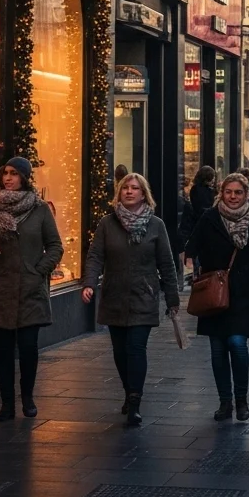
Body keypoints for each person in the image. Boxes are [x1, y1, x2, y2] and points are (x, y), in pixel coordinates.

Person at [82, 172, 180, 426]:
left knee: (136, 348)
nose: (129, 192)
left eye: (135, 188)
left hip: (143, 295)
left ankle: (135, 400)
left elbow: (166, 264)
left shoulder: (156, 225)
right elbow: (95, 256)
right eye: (125, 188)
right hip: (114, 295)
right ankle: (128, 391)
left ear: (143, 194)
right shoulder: (107, 223)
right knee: (119, 351)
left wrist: (172, 298)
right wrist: (90, 283)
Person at [0, 157, 63, 422]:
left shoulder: (39, 209)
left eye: (14, 174)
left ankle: (28, 398)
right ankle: (7, 404)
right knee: (3, 350)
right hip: (1, 287)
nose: (8, 178)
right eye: (5, 173)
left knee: (28, 347)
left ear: (24, 177)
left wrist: (39, 269)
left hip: (30, 288)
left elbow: (55, 245)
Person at [185, 173, 249, 422]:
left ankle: (241, 400)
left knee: (237, 344)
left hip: (244, 293)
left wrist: (247, 268)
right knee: (218, 348)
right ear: (221, 193)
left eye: (238, 192)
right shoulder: (209, 218)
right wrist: (195, 266)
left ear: (246, 194)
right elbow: (192, 247)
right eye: (228, 192)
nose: (233, 197)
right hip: (214, 294)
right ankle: (225, 402)